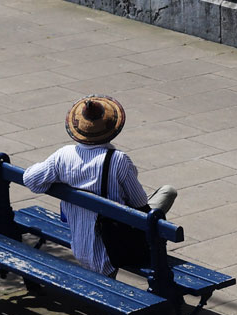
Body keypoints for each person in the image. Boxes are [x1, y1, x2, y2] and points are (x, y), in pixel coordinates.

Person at [23, 96, 176, 276]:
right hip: (110, 247)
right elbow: (139, 204)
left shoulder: (63, 155)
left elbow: (30, 179)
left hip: (80, 242)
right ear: (112, 128)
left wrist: (64, 176)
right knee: (168, 192)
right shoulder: (118, 160)